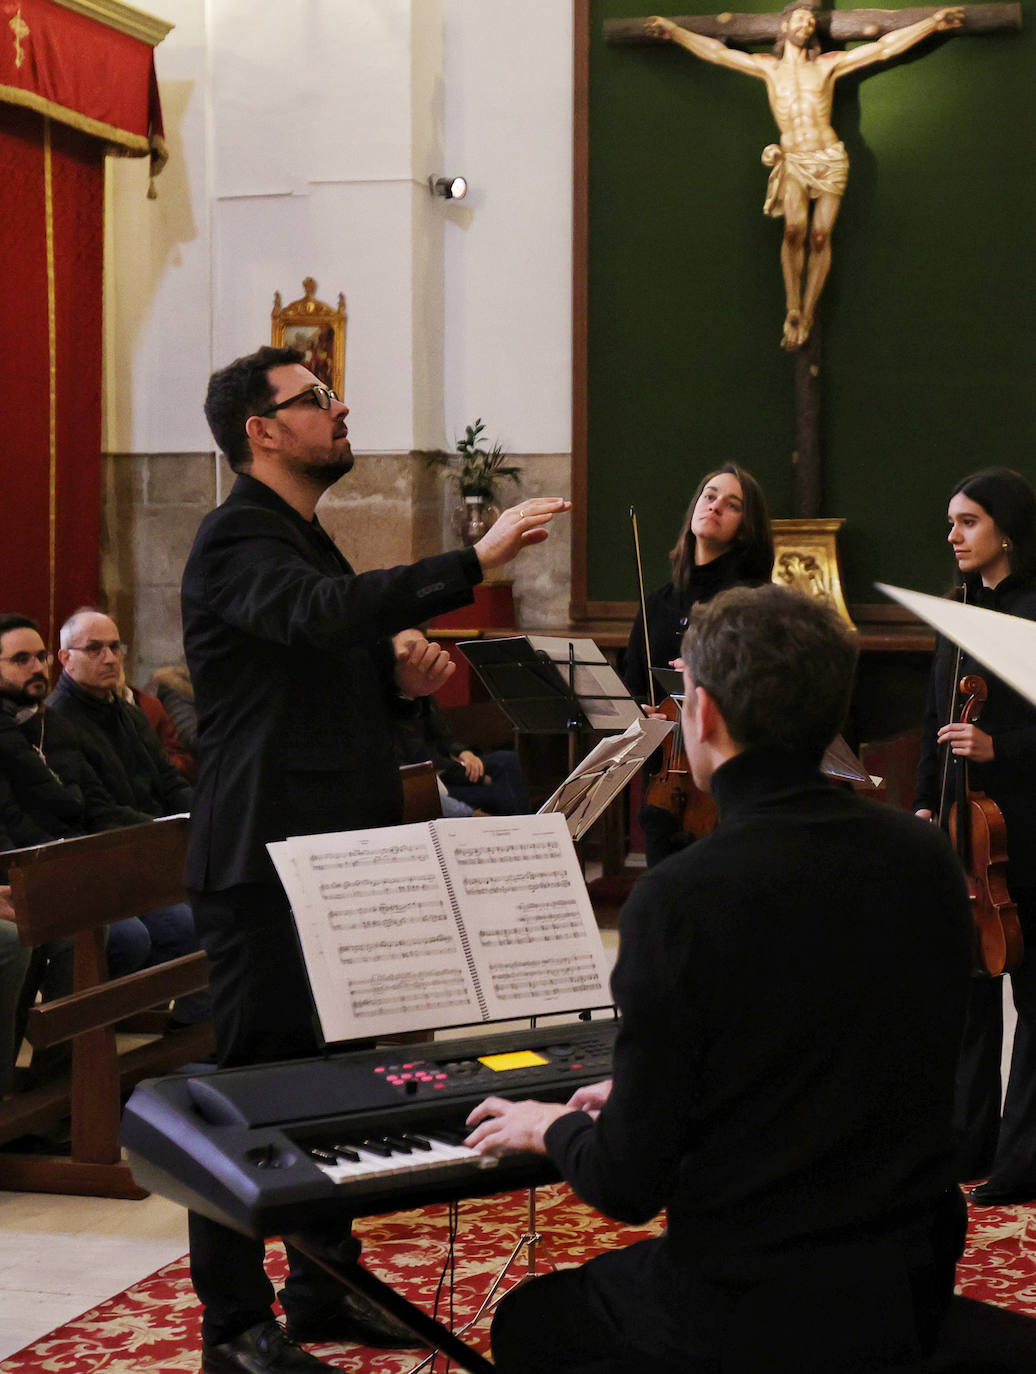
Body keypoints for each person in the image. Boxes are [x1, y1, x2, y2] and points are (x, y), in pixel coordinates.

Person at [465, 583, 973, 1374]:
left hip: (753, 1303)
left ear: (700, 715)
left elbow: (628, 1185)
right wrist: (663, 1099)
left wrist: (549, 1126)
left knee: (533, 1321)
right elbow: (830, 1057)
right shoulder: (926, 860)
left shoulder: (682, 896)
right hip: (906, 1281)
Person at [184, 344, 569, 1374]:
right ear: (262, 431)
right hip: (262, 864)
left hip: (337, 861)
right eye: (315, 400)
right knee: (252, 1098)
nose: (339, 408)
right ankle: (233, 1328)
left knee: (338, 1088)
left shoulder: (305, 542)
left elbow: (309, 668)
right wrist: (467, 565)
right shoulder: (236, 540)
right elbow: (310, 623)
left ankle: (322, 1286)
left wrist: (391, 678)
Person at [646, 5, 965, 349]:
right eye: (799, 17)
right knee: (794, 230)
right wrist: (675, 32)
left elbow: (885, 47)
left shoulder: (826, 66)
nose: (806, 22)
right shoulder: (768, 68)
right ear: (784, 26)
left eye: (810, 20)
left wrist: (933, 24)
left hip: (828, 157)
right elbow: (718, 54)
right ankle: (792, 306)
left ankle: (807, 313)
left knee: (819, 236)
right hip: (795, 159)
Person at [914, 467, 1036, 1205]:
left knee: (1034, 996)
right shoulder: (956, 608)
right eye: (953, 522)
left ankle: (1024, 1158)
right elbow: (937, 718)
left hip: (1028, 829)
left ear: (1007, 531)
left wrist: (1005, 748)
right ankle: (968, 1141)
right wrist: (927, 802)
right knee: (968, 990)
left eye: (968, 523)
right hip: (966, 833)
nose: (953, 536)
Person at [46, 610, 203, 1005]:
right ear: (66, 659)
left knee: (226, 910)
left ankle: (193, 1028)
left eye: (115, 647)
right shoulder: (58, 721)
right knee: (189, 926)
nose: (111, 659)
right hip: (108, 862)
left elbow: (171, 782)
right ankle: (179, 1026)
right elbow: (99, 812)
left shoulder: (129, 714)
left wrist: (204, 817)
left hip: (151, 853)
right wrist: (171, 832)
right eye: (94, 649)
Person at [623, 463, 773, 866]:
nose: (715, 506)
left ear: (745, 527)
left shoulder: (755, 602)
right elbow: (632, 684)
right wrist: (640, 708)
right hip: (664, 781)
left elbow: (768, 692)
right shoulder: (656, 603)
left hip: (731, 787)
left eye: (733, 504)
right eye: (709, 496)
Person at [391, 688, 529, 818]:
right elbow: (414, 764)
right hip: (429, 781)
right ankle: (522, 828)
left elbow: (443, 736)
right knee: (503, 793)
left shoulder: (422, 695)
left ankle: (519, 825)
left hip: (446, 768)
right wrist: (482, 779)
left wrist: (465, 754)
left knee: (507, 760)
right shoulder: (386, 705)